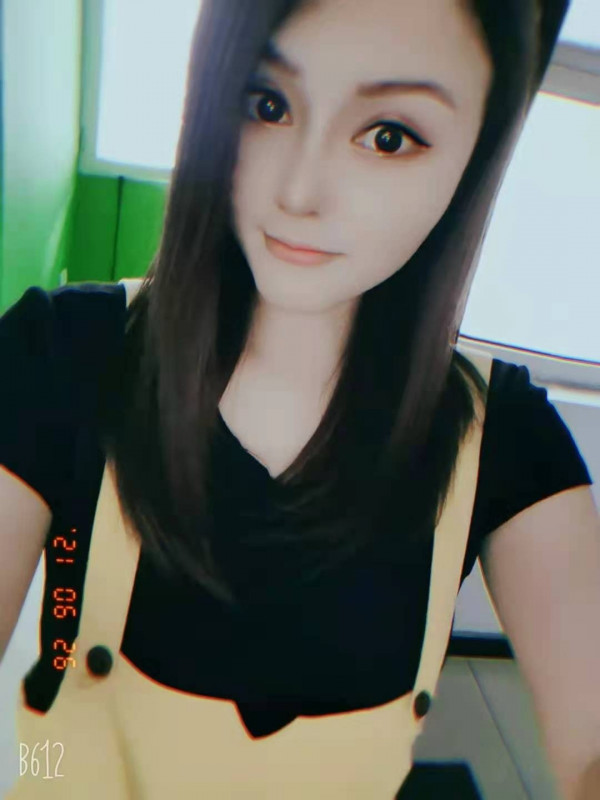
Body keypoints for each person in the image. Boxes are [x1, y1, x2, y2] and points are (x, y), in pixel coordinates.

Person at [1, 0, 596, 797]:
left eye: (389, 136)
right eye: (268, 104)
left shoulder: (505, 436)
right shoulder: (59, 353)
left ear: (475, 158)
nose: (299, 191)